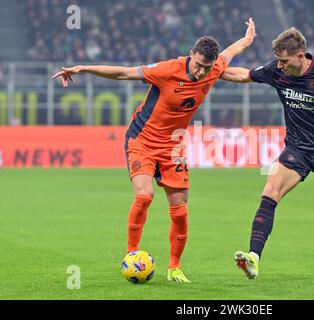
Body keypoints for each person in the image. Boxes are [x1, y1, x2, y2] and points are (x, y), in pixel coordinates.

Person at [52, 18, 257, 283]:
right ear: (190, 54)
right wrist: (83, 68)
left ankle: (174, 268)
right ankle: (131, 255)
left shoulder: (214, 67)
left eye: (207, 67)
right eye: (198, 65)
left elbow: (231, 52)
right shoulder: (167, 69)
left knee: (180, 208)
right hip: (143, 140)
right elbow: (123, 73)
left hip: (173, 145)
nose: (202, 72)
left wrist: (249, 38)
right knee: (144, 196)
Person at [221, 27, 314, 279]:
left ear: (301, 55)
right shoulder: (276, 71)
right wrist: (211, 72)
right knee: (270, 191)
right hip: (298, 149)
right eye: (278, 60)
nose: (279, 66)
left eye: (284, 61)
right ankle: (254, 258)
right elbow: (243, 75)